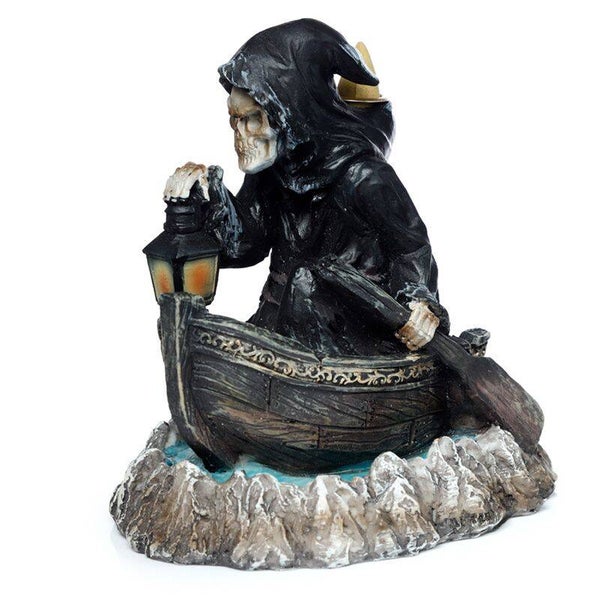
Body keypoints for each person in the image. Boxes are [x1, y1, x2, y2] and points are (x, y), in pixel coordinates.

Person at [163, 19, 448, 357]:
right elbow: (248, 243)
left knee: (306, 280)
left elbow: (410, 249)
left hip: (354, 336)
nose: (241, 136)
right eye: (234, 120)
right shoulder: (273, 168)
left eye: (253, 119)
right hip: (278, 323)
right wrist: (205, 199)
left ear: (290, 112)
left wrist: (419, 303)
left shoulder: (364, 177)